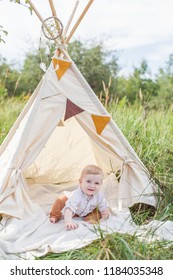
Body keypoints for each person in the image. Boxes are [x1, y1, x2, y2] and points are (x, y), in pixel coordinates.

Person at [49, 165, 109, 229]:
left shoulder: (99, 195)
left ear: (100, 185)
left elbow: (104, 210)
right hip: (74, 210)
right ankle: (55, 215)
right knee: (61, 200)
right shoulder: (77, 194)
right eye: (88, 181)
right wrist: (69, 222)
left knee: (97, 211)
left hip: (87, 211)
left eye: (96, 183)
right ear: (80, 182)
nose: (92, 185)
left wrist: (103, 219)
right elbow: (69, 209)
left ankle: (89, 220)